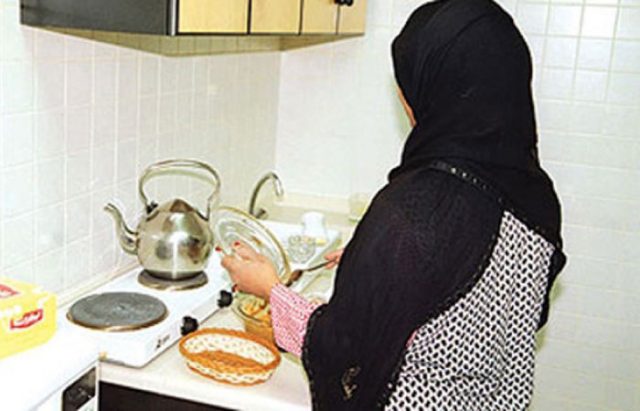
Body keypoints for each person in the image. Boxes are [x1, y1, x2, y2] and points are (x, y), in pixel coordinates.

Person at [221, 0, 566, 409]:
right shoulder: (536, 198)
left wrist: (270, 288)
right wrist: (381, 262)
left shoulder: (412, 212)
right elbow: (497, 304)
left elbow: (342, 350)